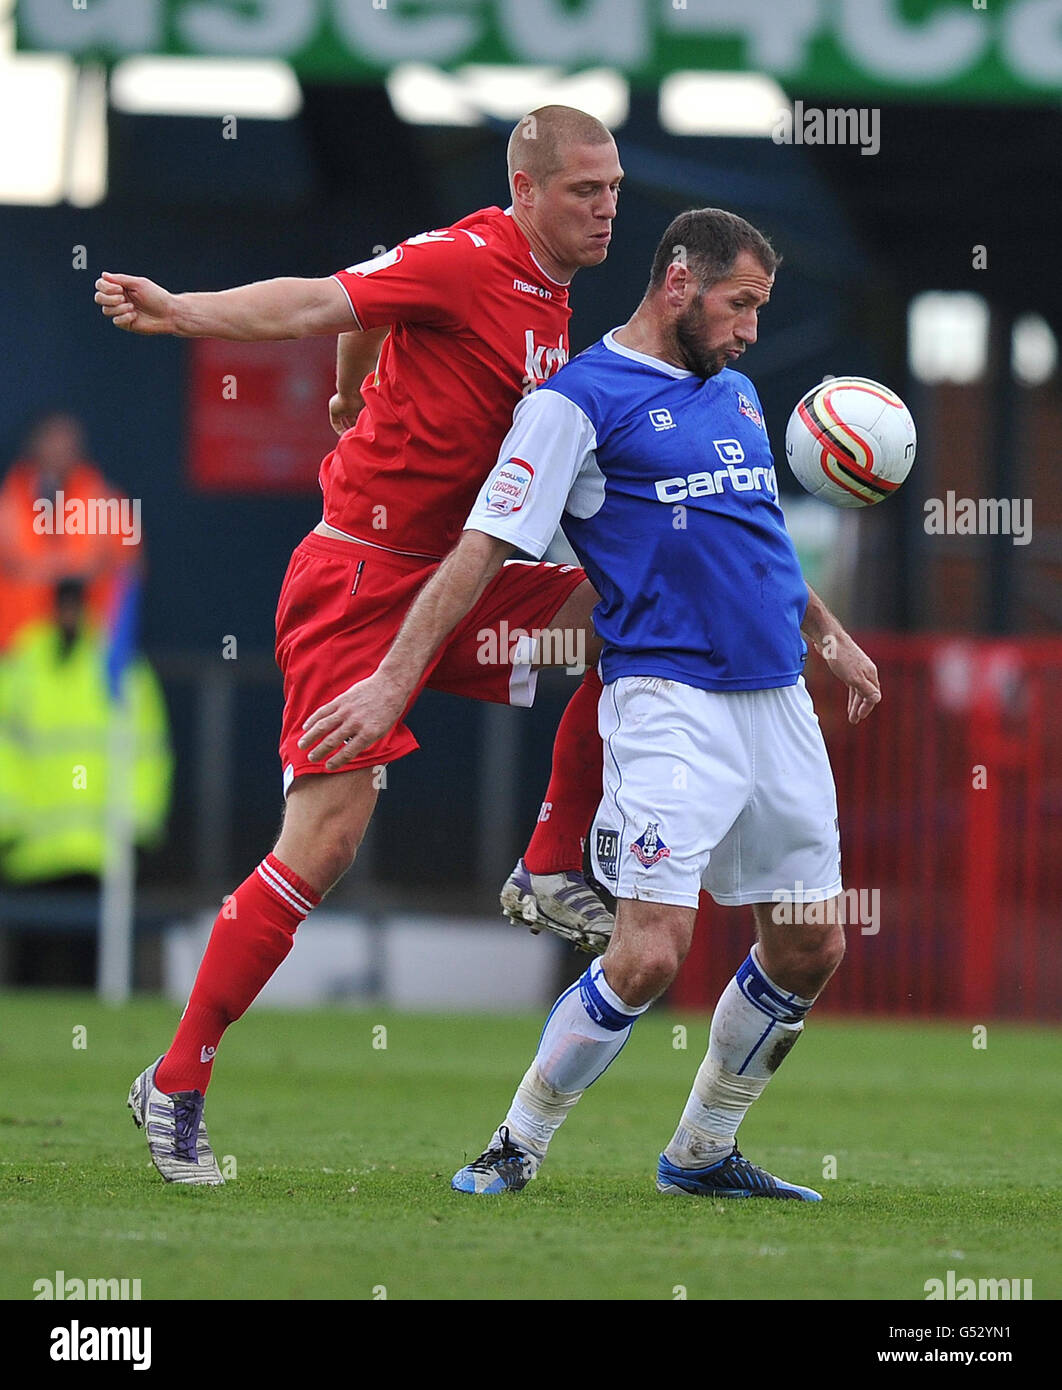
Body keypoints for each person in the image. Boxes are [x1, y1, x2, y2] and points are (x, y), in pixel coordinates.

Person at [302, 208, 882, 1200]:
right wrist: (390, 681)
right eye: (739, 305)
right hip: (669, 702)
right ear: (677, 283)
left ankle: (701, 1152)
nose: (749, 330)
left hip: (777, 702)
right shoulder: (577, 403)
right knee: (650, 952)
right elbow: (480, 548)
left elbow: (757, 534)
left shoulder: (737, 394)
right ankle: (515, 1141)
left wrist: (829, 632)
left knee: (810, 942)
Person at [96, 105, 624, 1184]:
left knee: (637, 613)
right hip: (357, 582)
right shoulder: (467, 257)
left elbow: (366, 314)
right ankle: (176, 1082)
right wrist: (183, 311)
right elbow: (323, 296)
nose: (607, 205)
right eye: (585, 189)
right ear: (526, 191)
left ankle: (549, 857)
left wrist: (351, 386)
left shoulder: (552, 298)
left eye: (614, 186)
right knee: (327, 840)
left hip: (455, 583)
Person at [0, 412, 139, 651]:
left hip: (88, 647)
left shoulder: (109, 503)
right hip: (16, 649)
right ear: (34, 445)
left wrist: (118, 643)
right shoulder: (7, 504)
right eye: (51, 440)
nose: (58, 451)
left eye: (67, 444)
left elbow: (130, 573)